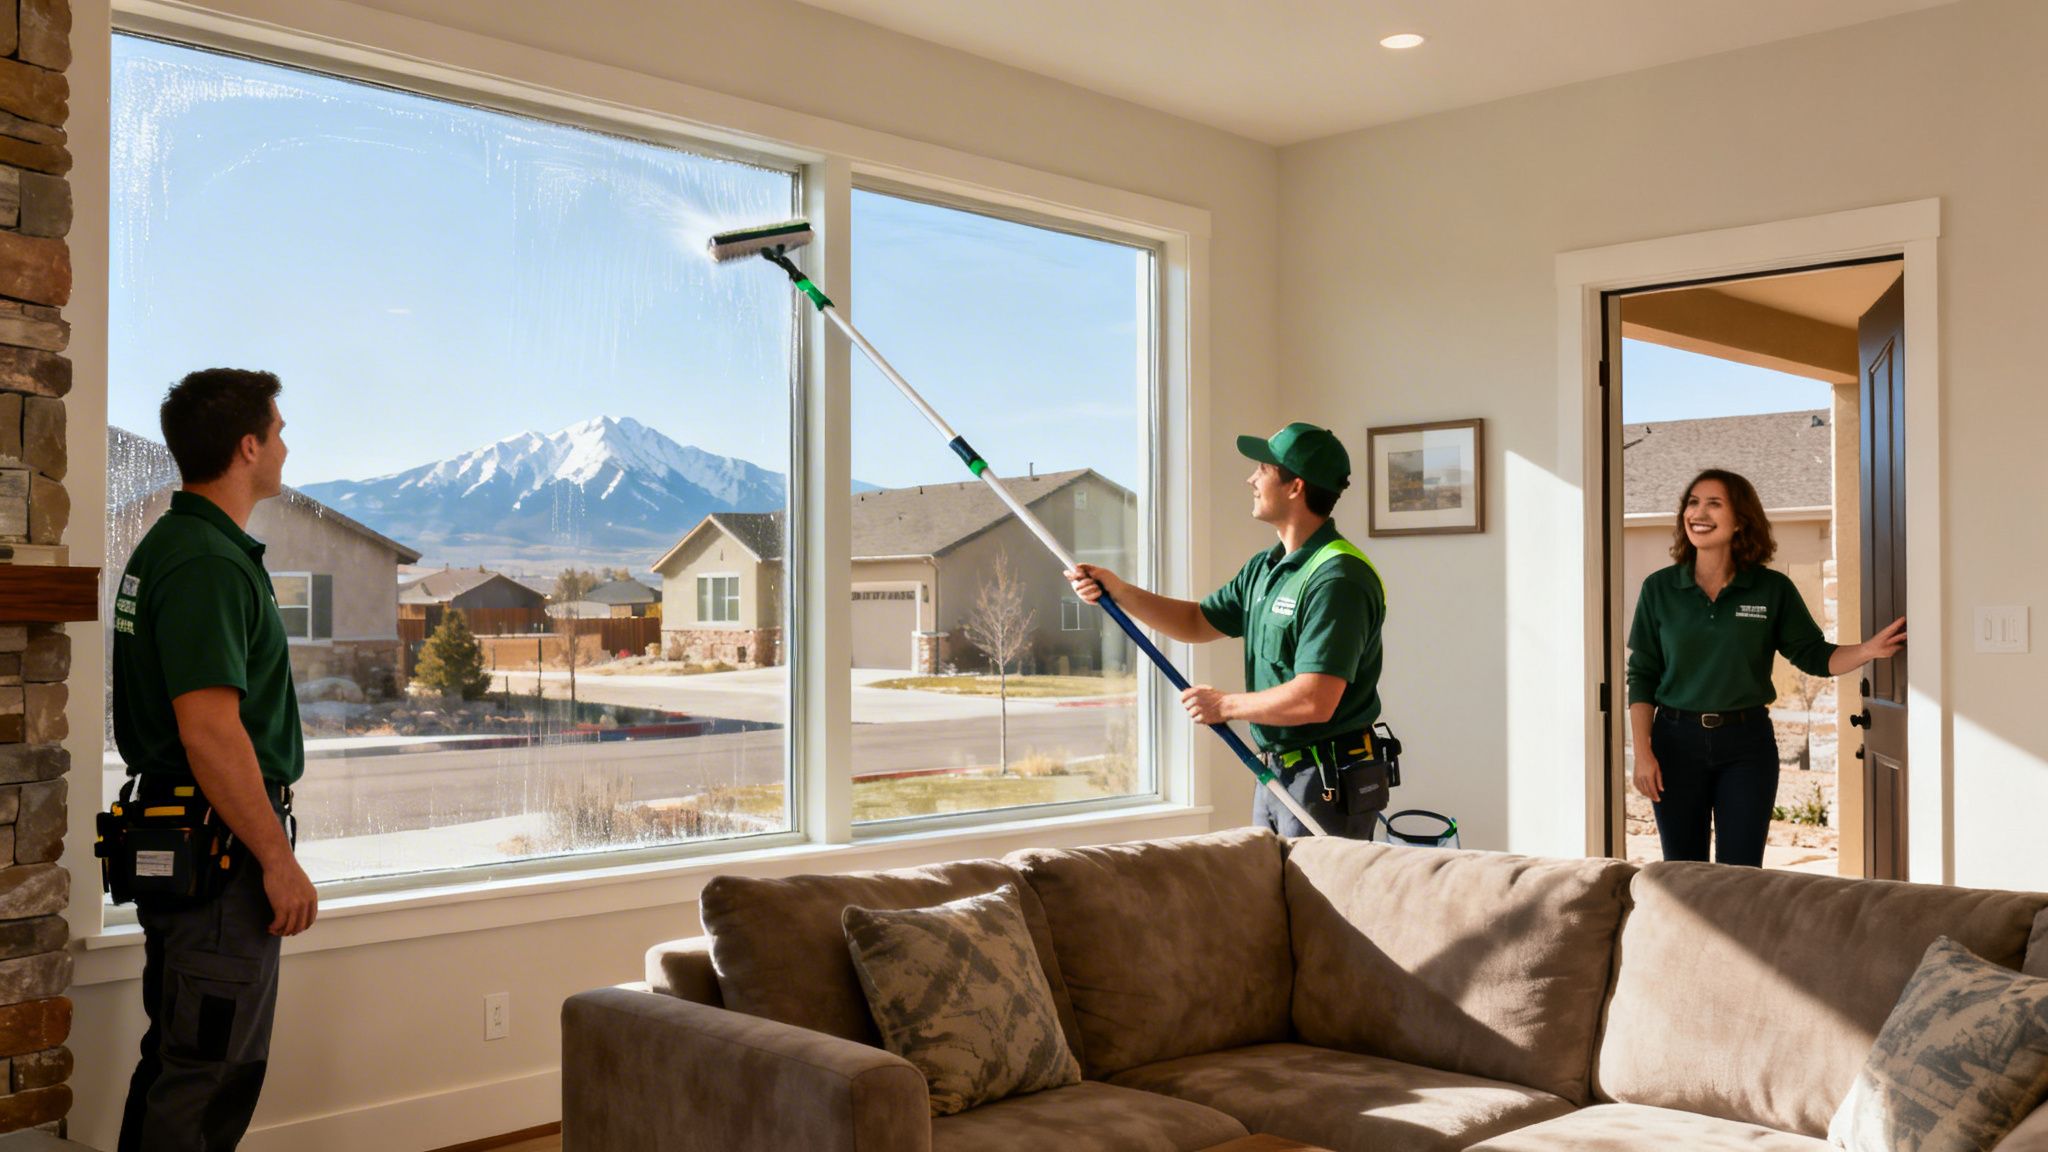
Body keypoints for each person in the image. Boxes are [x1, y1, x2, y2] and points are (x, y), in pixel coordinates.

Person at [115, 369, 318, 1152]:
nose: (285, 444)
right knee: (210, 1074)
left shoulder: (183, 545)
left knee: (180, 1060)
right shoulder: (204, 561)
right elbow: (210, 732)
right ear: (247, 446)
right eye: (277, 429)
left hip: (190, 843)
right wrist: (276, 859)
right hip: (219, 858)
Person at [1067, 421, 1387, 837]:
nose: (1250, 478)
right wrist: (1120, 591)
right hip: (1275, 773)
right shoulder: (1265, 569)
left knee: (1318, 902)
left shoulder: (1337, 578)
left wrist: (1225, 706)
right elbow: (1197, 621)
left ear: (1295, 486)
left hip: (1325, 781)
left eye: (1264, 469)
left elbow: (1315, 700)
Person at [1626, 468, 1906, 868]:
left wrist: (1867, 650)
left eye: (1713, 503)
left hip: (1746, 746)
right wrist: (1643, 752)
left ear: (1740, 521)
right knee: (1682, 873)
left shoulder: (1771, 589)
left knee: (1742, 873)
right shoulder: (1659, 589)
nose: (1698, 512)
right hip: (1675, 744)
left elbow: (1813, 655)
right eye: (1692, 502)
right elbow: (1642, 676)